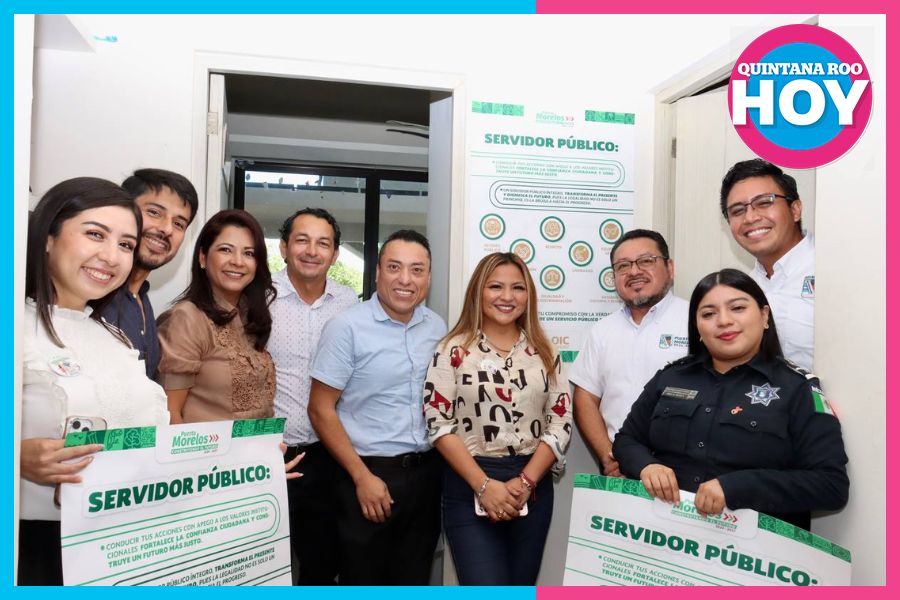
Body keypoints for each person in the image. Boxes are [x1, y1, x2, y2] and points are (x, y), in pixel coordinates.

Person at [613, 269, 848, 531]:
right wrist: (647, 466)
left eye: (737, 308)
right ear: (697, 327)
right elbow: (627, 440)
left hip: (754, 548)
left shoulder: (798, 388)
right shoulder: (671, 377)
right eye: (708, 314)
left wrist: (738, 487)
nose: (724, 321)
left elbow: (830, 485)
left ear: (764, 316)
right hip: (666, 536)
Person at [19, 178, 170, 585]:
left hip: (121, 545)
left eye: (125, 244)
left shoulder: (115, 338)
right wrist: (14, 459)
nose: (111, 256)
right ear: (48, 237)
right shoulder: (15, 327)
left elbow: (151, 444)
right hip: (32, 554)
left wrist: (248, 459)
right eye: (95, 234)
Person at [423, 252, 572, 585]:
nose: (507, 296)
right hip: (469, 482)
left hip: (531, 485)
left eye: (517, 287)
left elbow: (560, 422)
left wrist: (526, 482)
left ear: (528, 295)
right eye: (496, 287)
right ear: (478, 291)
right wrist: (484, 486)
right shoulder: (451, 350)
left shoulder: (546, 351)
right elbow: (438, 424)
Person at [308, 229, 447, 585]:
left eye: (417, 270)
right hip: (367, 475)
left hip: (426, 476)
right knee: (363, 579)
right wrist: (362, 477)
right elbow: (320, 409)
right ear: (378, 273)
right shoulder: (346, 328)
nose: (405, 279)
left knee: (414, 579)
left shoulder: (437, 327)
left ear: (428, 277)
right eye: (394, 267)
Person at [268, 208, 357, 585]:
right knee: (262, 563)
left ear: (335, 254)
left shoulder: (348, 302)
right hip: (270, 450)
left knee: (321, 563)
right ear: (284, 247)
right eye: (301, 240)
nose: (311, 251)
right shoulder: (259, 296)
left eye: (323, 243)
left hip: (326, 454)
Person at [570, 229, 688, 477]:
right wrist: (609, 456)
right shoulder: (602, 331)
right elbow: (586, 398)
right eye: (623, 266)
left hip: (684, 472)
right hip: (621, 470)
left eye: (646, 261)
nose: (634, 271)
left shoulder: (696, 320)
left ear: (670, 268)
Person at [156, 209, 276, 424]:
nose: (238, 261)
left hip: (257, 445)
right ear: (203, 257)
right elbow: (169, 414)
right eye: (225, 250)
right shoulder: (187, 318)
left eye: (249, 253)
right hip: (202, 446)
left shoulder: (249, 317)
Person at [100, 169, 199, 378]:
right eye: (154, 212)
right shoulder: (93, 293)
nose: (167, 229)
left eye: (179, 224)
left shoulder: (142, 299)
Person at [721, 159, 814, 370]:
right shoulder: (745, 288)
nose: (750, 217)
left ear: (795, 209)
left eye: (764, 202)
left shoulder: (833, 268)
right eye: (737, 210)